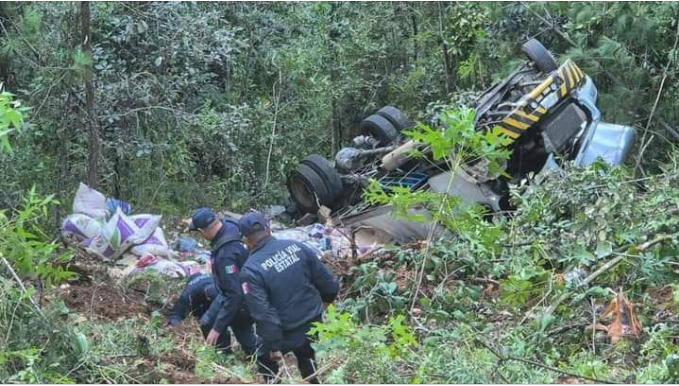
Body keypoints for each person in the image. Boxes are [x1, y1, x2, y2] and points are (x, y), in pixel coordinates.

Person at [238, 212, 339, 383]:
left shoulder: (250, 270)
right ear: (268, 230)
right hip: (313, 322)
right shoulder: (296, 247)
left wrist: (274, 345)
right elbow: (329, 283)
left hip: (285, 331)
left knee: (264, 359)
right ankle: (313, 381)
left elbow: (263, 312)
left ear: (246, 240)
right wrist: (324, 305)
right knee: (307, 356)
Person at [187, 208, 259, 358]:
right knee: (215, 322)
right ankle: (248, 354)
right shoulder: (231, 225)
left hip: (239, 296)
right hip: (247, 286)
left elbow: (235, 295)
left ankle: (226, 356)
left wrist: (218, 328)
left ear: (202, 231)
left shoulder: (225, 255)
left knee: (216, 325)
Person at [166, 273, 233, 352]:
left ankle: (224, 350)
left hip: (210, 295)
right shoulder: (188, 294)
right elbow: (175, 314)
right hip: (196, 300)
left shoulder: (218, 287)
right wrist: (179, 332)